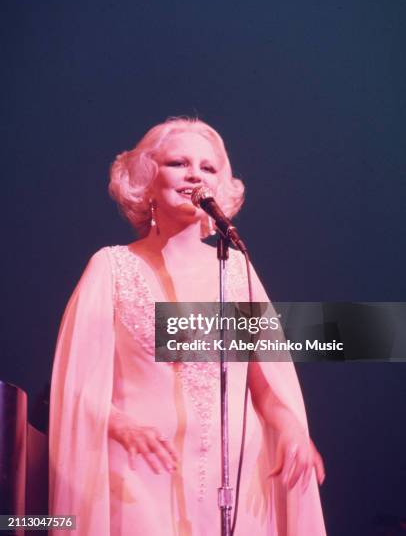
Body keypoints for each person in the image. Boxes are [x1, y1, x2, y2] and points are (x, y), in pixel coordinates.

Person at [49, 117, 326, 535]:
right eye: (179, 162)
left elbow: (263, 381)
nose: (195, 173)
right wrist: (119, 423)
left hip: (234, 476)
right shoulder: (112, 267)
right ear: (147, 177)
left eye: (209, 167)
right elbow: (74, 385)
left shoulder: (235, 269)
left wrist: (291, 429)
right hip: (142, 476)